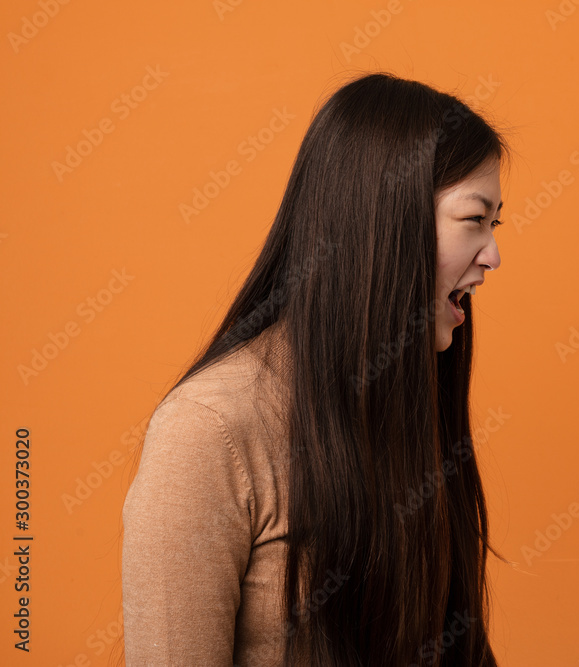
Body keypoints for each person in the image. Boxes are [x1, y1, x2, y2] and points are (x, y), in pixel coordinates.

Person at [120, 71, 514, 666]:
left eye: (495, 224)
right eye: (473, 220)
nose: (494, 254)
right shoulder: (206, 431)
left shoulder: (409, 399)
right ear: (382, 223)